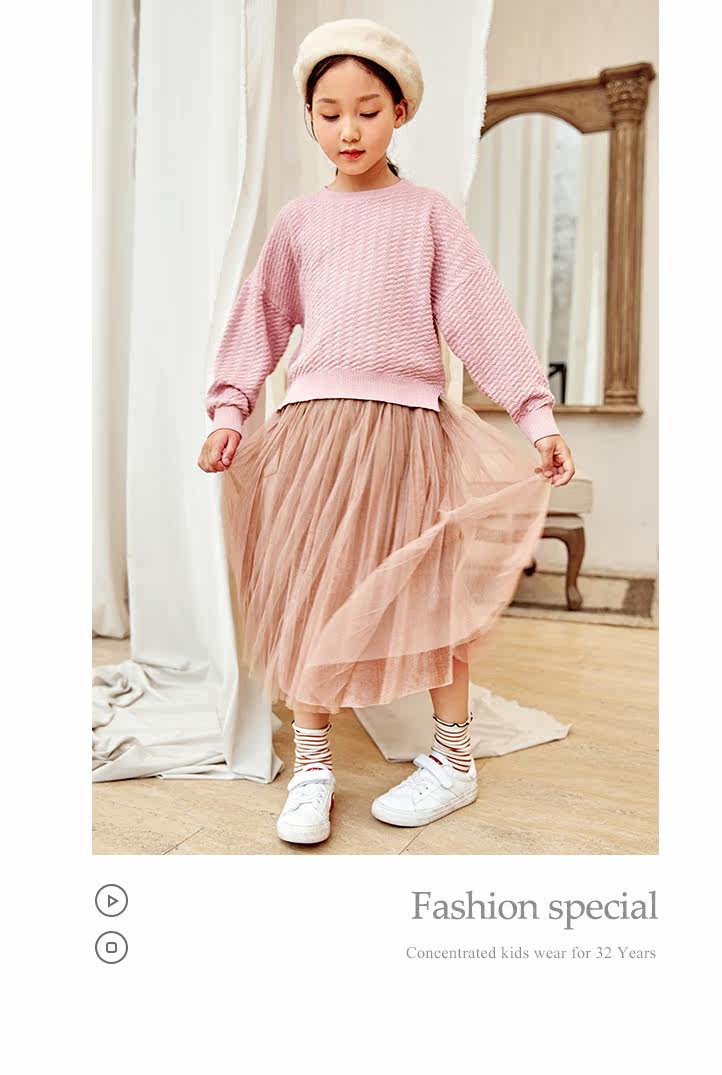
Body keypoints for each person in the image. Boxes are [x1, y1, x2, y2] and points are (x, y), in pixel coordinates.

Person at [197, 18, 575, 846]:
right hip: (313, 433)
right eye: (329, 112)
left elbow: (481, 317)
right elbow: (260, 319)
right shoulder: (299, 222)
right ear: (309, 117)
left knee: (433, 594)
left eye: (368, 111)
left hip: (406, 432)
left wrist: (534, 414)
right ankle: (312, 766)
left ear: (400, 111)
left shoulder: (427, 215)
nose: (349, 129)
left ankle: (453, 760)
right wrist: (230, 409)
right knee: (311, 592)